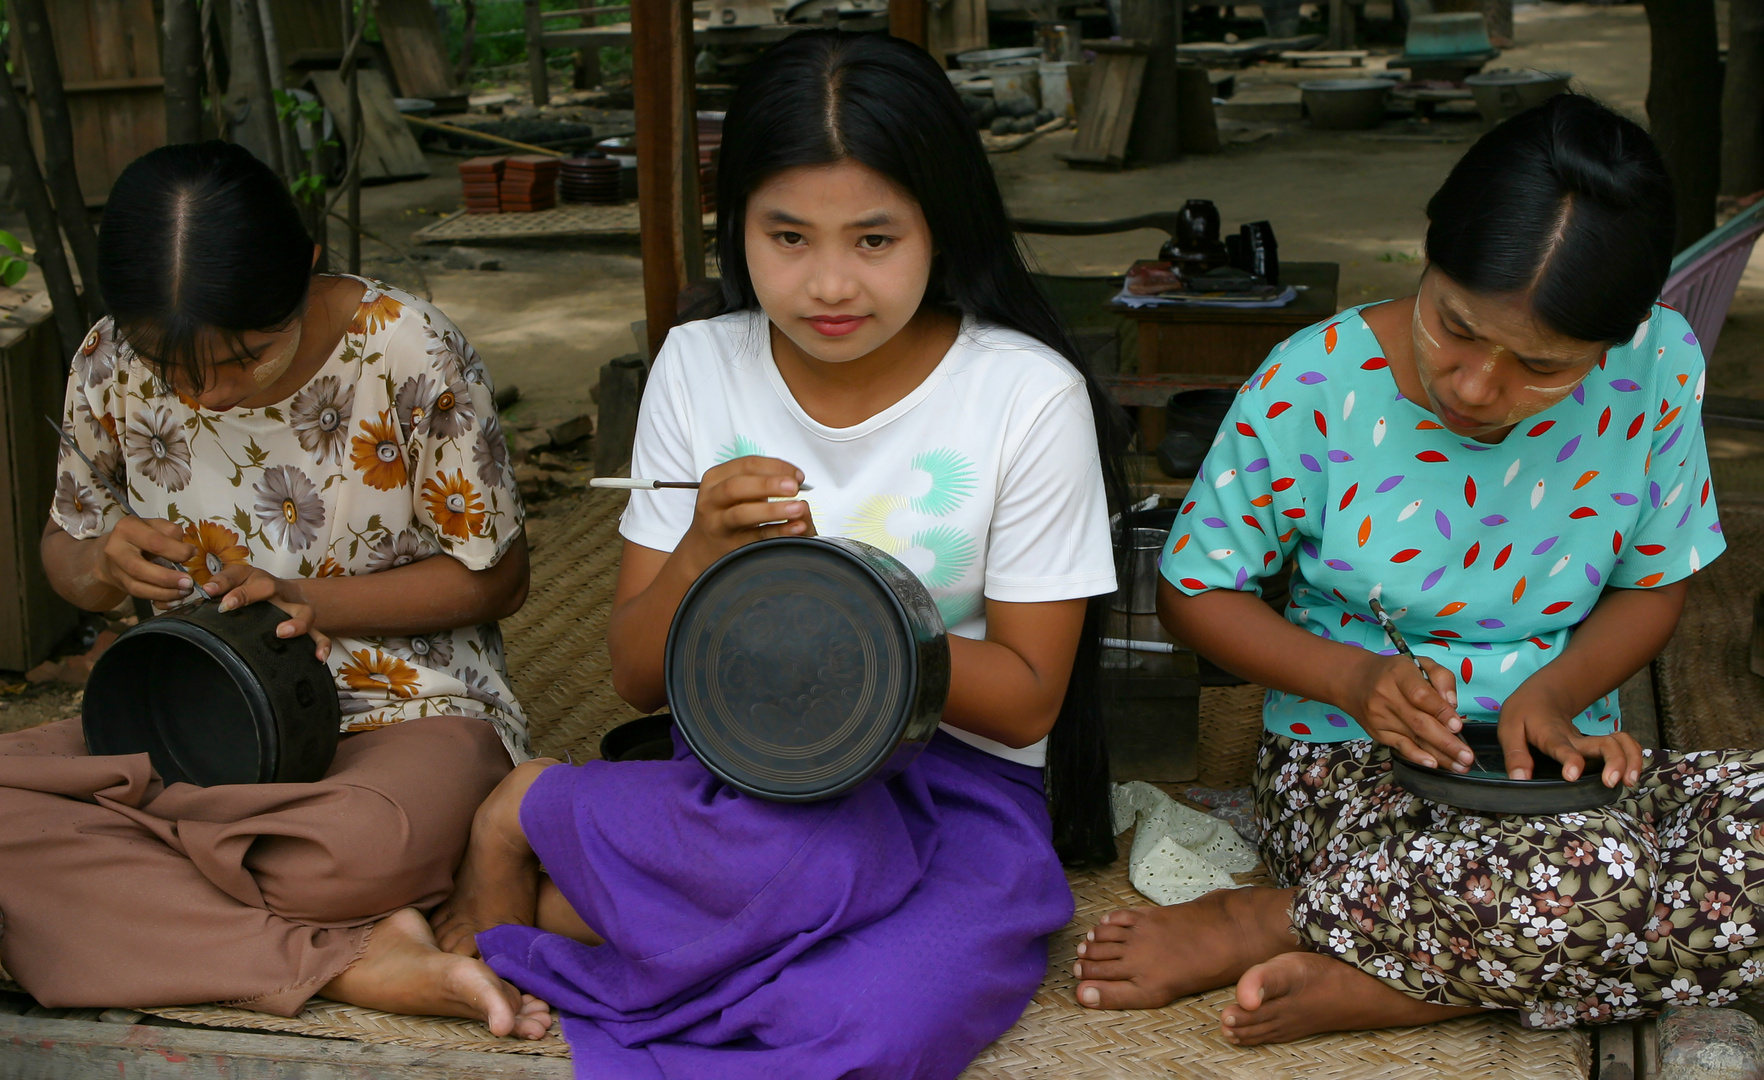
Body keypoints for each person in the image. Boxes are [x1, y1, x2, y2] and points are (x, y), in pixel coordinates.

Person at [429, 29, 1126, 1078]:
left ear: (942, 224)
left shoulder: (1025, 395)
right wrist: (702, 556)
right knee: (789, 855)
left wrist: (846, 609)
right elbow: (632, 676)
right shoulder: (701, 365)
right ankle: (530, 809)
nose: (830, 284)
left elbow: (1029, 700)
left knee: (875, 1025)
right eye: (788, 237)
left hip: (958, 785)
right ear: (737, 227)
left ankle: (595, 883)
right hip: (747, 788)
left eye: (875, 240)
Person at [1073, 94, 1761, 1042]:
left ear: (1616, 340)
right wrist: (1353, 679)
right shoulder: (1315, 382)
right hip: (1354, 771)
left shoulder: (1657, 369)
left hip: (1566, 771)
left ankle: (1391, 967)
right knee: (1594, 881)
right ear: (1430, 252)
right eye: (1457, 327)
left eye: (1544, 367)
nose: (1479, 387)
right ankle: (1282, 918)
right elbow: (1194, 589)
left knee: (1615, 864)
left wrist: (1559, 693)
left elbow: (1655, 583)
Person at [0, 142, 550, 1039]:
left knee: (350, 857)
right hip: (187, 718)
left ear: (303, 269)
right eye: (172, 369)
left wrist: (310, 597)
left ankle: (162, 881)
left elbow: (498, 577)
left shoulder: (407, 350)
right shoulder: (107, 361)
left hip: (400, 712)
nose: (206, 394)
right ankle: (355, 960)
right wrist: (101, 563)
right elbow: (64, 547)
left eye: (244, 358)